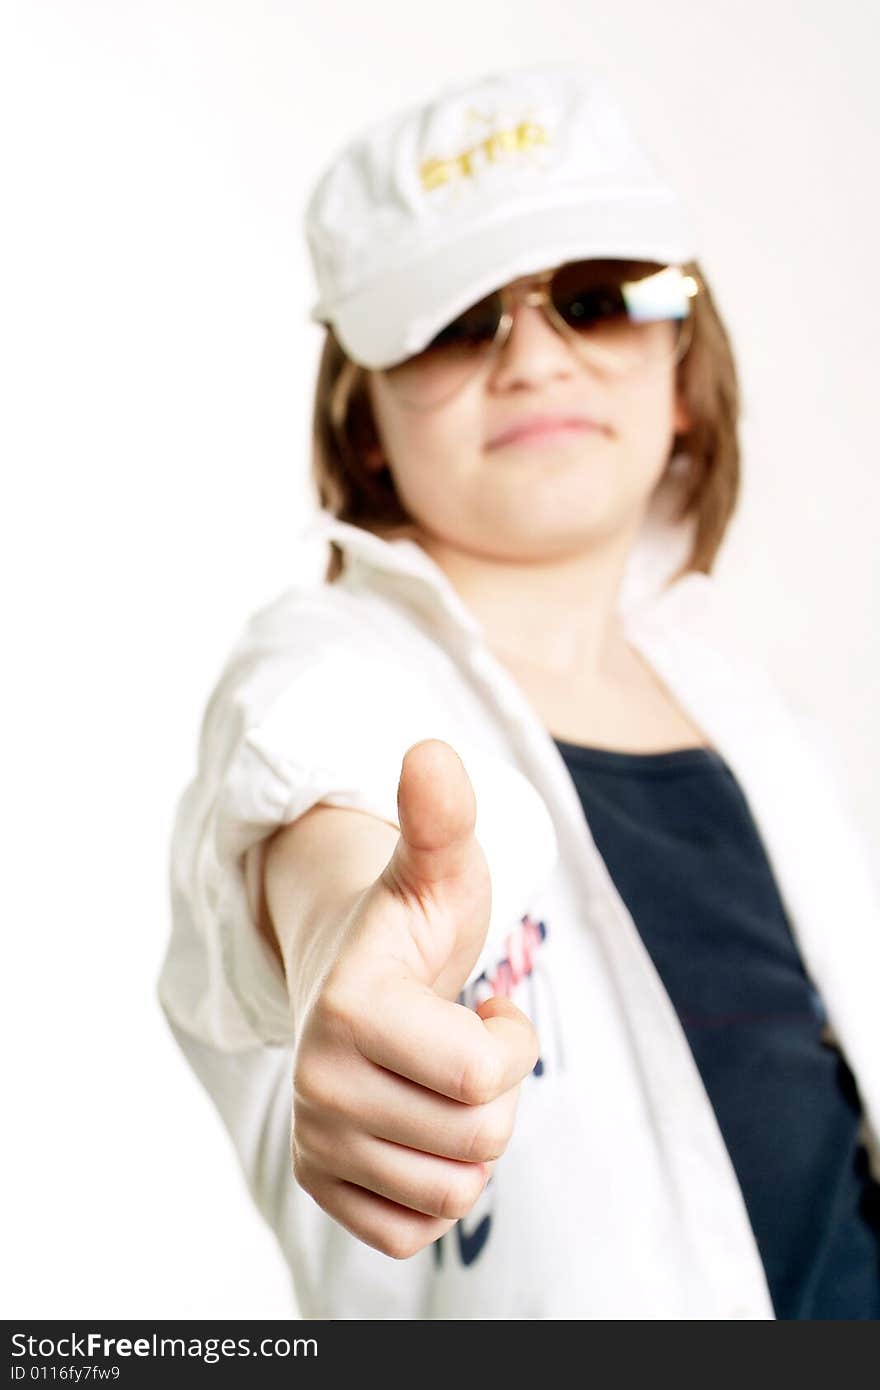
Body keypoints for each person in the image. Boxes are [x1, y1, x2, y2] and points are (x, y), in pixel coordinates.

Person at [157, 61, 880, 1320]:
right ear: (364, 416)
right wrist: (348, 956)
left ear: (681, 364)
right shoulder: (324, 663)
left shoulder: (759, 718)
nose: (536, 357)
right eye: (456, 321)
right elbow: (316, 807)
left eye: (594, 301)